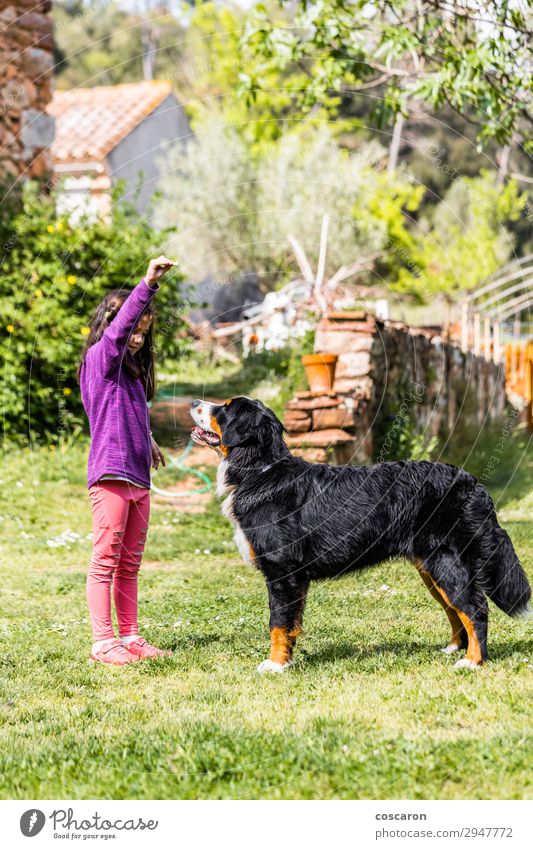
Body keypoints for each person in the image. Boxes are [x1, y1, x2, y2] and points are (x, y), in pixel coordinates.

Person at [78, 256, 176, 665]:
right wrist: (148, 284)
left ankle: (131, 637)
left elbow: (124, 414)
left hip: (137, 477)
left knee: (130, 562)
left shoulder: (130, 376)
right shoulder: (101, 358)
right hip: (111, 476)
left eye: (144, 332)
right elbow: (119, 332)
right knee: (106, 558)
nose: (136, 338)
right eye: (133, 329)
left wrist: (149, 439)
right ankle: (104, 642)